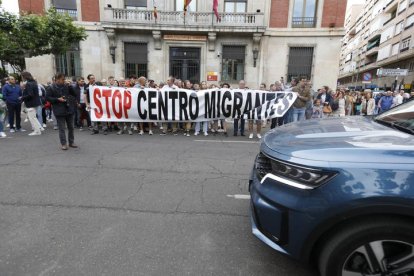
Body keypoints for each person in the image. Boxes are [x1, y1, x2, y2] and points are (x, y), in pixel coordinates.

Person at [46, 73, 77, 150]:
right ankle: (63, 144)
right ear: (57, 79)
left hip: (69, 109)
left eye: (64, 79)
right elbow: (47, 98)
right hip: (59, 110)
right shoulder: (51, 88)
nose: (64, 80)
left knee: (71, 127)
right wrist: (57, 99)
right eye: (63, 79)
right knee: (62, 128)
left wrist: (70, 86)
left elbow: (74, 94)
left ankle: (71, 142)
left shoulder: (67, 86)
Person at [20, 72, 42, 136]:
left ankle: (37, 131)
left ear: (24, 76)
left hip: (31, 103)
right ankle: (39, 128)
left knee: (32, 118)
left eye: (22, 76)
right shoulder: (34, 82)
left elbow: (30, 94)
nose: (22, 78)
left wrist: (22, 97)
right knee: (34, 117)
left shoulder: (29, 84)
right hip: (35, 102)